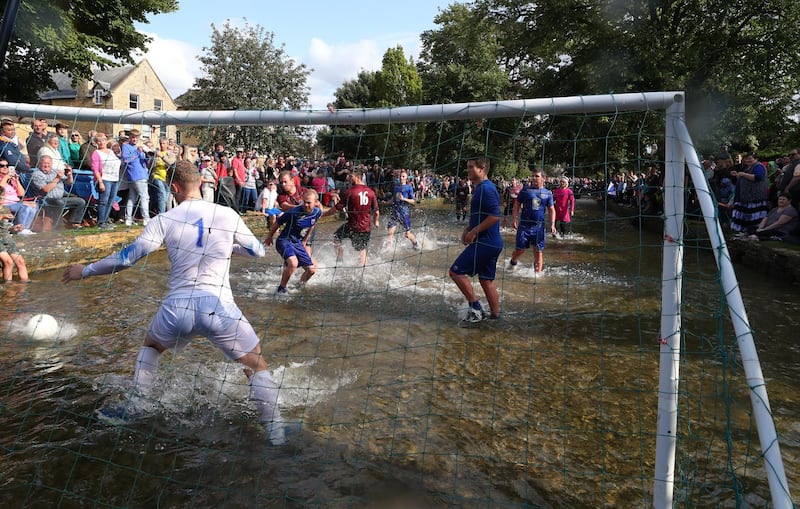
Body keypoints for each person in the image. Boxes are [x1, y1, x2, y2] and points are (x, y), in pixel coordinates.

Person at [61, 160, 291, 445]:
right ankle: (275, 432)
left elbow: (127, 259)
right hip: (218, 306)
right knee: (255, 363)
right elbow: (257, 251)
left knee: (151, 348)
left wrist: (84, 270)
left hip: (176, 308)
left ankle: (135, 409)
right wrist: (226, 248)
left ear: (173, 187)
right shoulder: (226, 213)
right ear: (200, 182)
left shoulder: (163, 220)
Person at [448, 156, 502, 323]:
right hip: (491, 242)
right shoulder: (480, 188)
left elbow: (495, 216)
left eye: (471, 167)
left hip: (486, 242)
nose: (468, 170)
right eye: (468, 167)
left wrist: (474, 232)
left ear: (482, 168)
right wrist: (467, 229)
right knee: (486, 280)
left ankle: (476, 307)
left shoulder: (487, 188)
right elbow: (480, 215)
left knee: (455, 271)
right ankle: (495, 317)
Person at [265, 188, 322, 295]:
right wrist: (269, 237)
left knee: (311, 270)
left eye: (309, 203)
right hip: (284, 241)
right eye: (304, 201)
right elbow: (278, 223)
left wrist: (305, 240)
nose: (305, 205)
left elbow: (312, 224)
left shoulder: (317, 212)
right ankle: (281, 289)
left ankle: (299, 285)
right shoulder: (294, 212)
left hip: (297, 243)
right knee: (293, 263)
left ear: (316, 203)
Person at [323, 171, 379, 267]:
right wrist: (375, 222)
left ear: (357, 177)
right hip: (366, 227)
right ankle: (363, 269)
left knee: (336, 238)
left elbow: (336, 208)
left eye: (351, 177)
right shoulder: (371, 192)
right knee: (362, 249)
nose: (348, 179)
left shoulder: (350, 191)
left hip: (351, 226)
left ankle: (340, 261)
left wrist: (323, 214)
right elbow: (376, 212)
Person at [509, 169, 557, 273]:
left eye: (537, 176)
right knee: (520, 250)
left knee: (538, 252)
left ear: (543, 179)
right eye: (533, 176)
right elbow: (517, 204)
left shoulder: (548, 193)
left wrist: (552, 224)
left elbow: (552, 209)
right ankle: (513, 261)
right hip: (524, 225)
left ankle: (537, 276)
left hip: (539, 227)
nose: (534, 178)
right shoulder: (525, 190)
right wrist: (514, 218)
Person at [30, 155, 86, 229]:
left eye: (48, 163)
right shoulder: (37, 174)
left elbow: (69, 183)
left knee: (81, 202)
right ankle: (59, 224)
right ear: (39, 163)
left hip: (62, 197)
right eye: (44, 163)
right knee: (59, 203)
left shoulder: (55, 171)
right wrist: (57, 178)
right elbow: (45, 190)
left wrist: (70, 175)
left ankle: (73, 223)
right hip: (47, 199)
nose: (46, 165)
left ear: (51, 164)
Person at [729, 153, 769, 236]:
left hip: (755, 197)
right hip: (746, 197)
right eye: (746, 159)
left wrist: (742, 174)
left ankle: (752, 233)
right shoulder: (748, 168)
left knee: (752, 218)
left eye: (750, 158)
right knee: (744, 217)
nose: (748, 160)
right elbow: (746, 178)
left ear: (756, 159)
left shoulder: (758, 166)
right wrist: (738, 174)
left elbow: (758, 177)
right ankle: (743, 232)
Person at [90, 133, 121, 229]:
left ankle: (106, 219)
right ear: (96, 142)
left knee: (111, 201)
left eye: (103, 140)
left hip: (114, 179)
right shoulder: (96, 153)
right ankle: (101, 222)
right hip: (105, 179)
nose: (101, 142)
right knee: (104, 200)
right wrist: (100, 182)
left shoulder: (111, 152)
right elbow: (95, 169)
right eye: (99, 140)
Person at [121, 129, 151, 227]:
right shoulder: (126, 147)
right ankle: (146, 218)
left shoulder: (139, 148)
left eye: (136, 138)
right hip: (136, 176)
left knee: (132, 198)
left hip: (141, 174)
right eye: (133, 137)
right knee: (144, 197)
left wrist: (148, 155)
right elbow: (126, 159)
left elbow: (144, 162)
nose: (135, 139)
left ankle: (128, 219)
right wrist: (137, 152)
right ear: (129, 137)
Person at [0, 187, 30, 282]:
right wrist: (2, 216)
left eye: (3, 197)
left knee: (20, 261)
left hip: (6, 238)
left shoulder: (5, 209)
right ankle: (8, 286)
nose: (2, 199)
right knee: (8, 262)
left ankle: (25, 283)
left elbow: (5, 227)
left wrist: (14, 228)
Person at [0, 157, 37, 234]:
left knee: (33, 206)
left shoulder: (11, 180)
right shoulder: (3, 179)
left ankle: (26, 228)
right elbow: (1, 190)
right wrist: (6, 177)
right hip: (5, 203)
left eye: (7, 166)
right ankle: (20, 228)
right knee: (25, 207)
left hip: (16, 202)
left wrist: (16, 180)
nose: (5, 168)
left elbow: (21, 194)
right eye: (2, 166)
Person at [386, 170, 420, 250]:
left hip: (404, 213)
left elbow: (413, 201)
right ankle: (387, 250)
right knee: (390, 233)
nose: (401, 178)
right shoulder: (396, 187)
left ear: (406, 178)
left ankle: (415, 243)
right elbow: (393, 200)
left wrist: (404, 199)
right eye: (400, 176)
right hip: (395, 212)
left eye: (403, 176)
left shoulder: (409, 188)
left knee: (407, 235)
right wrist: (384, 202)